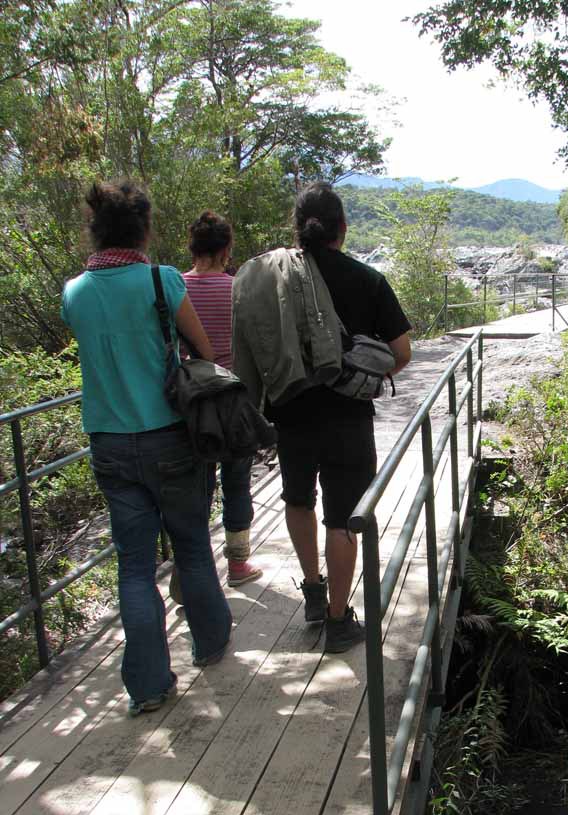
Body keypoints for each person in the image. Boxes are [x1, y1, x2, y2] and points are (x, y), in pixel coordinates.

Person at [61, 180, 232, 716]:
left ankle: (149, 686)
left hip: (110, 444)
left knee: (134, 566)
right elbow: (202, 352)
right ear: (145, 230)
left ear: (96, 230)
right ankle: (209, 643)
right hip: (169, 437)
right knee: (191, 546)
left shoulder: (74, 293)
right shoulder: (161, 281)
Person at [237, 181, 412, 653]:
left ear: (297, 230)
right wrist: (363, 371)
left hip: (288, 412)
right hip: (347, 418)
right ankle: (338, 620)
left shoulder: (271, 278)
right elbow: (401, 352)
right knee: (342, 518)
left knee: (298, 498)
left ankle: (313, 593)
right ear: (343, 228)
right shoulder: (367, 279)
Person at [182, 211, 262, 588]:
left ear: (193, 247)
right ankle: (238, 566)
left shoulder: (174, 289)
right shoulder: (238, 289)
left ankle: (190, 571)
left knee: (195, 488)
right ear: (226, 249)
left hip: (191, 404)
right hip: (234, 402)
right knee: (237, 482)